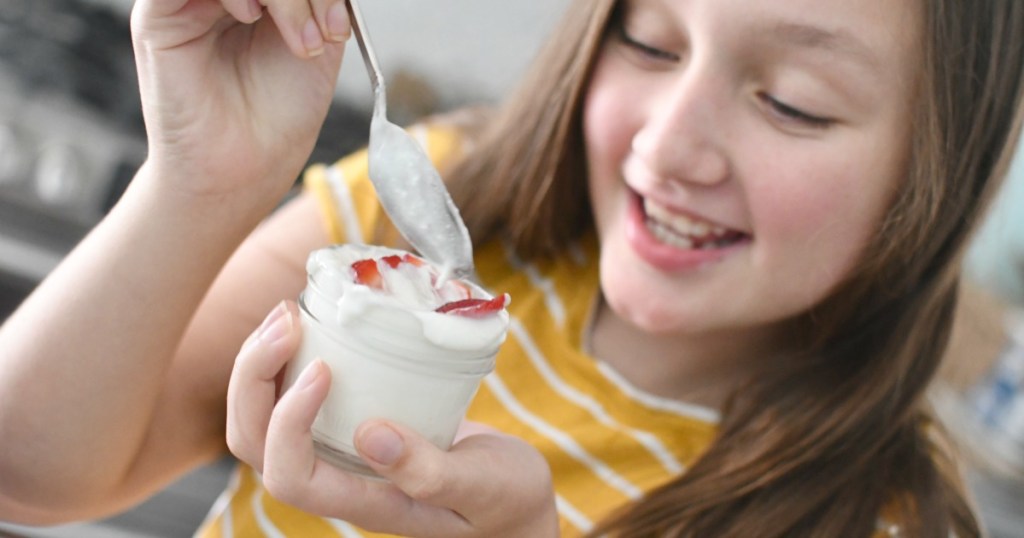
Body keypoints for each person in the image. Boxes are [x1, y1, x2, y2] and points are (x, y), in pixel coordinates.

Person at [0, 0, 1022, 536]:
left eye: (792, 101)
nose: (668, 148)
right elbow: (27, 471)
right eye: (649, 42)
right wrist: (203, 182)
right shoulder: (439, 207)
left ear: (937, 171)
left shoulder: (879, 521)